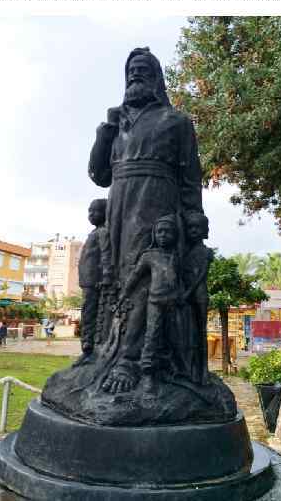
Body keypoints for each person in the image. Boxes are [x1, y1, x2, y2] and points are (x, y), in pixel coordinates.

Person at [88, 48, 204, 392]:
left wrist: (193, 220)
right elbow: (99, 176)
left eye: (142, 70)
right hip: (119, 205)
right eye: (131, 71)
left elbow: (191, 178)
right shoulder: (117, 124)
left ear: (156, 79)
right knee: (117, 279)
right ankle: (106, 349)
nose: (135, 76)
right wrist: (106, 130)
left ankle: (130, 360)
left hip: (156, 204)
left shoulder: (176, 121)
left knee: (142, 277)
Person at [107, 215, 180, 396]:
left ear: (175, 235)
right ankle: (148, 374)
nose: (163, 235)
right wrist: (123, 295)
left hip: (174, 304)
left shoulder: (176, 256)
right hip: (155, 302)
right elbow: (135, 277)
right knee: (151, 337)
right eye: (160, 231)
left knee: (173, 337)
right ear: (154, 234)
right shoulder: (150, 256)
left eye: (168, 232)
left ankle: (170, 370)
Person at [75, 198, 112, 365]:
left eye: (95, 211)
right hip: (87, 281)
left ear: (105, 213)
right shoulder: (94, 233)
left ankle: (88, 348)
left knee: (89, 314)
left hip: (94, 281)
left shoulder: (103, 232)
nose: (91, 215)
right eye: (89, 211)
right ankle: (87, 346)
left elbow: (106, 254)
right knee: (87, 313)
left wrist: (107, 275)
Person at [182, 211, 214, 385]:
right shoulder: (184, 251)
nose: (193, 231)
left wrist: (188, 292)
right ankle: (191, 370)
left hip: (198, 295)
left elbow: (201, 276)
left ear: (204, 230)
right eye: (190, 227)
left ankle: (203, 371)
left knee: (201, 333)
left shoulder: (206, 252)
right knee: (189, 333)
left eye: (197, 227)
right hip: (187, 295)